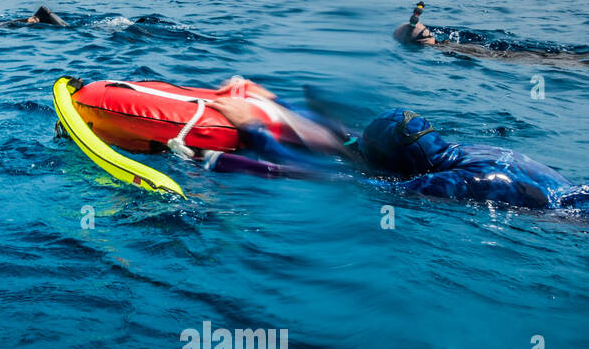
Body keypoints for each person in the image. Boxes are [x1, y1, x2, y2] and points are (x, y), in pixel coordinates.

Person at [209, 97, 588, 210]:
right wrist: (273, 105)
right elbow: (352, 140)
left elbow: (329, 179)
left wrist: (254, 132)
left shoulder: (446, 183)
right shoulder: (464, 152)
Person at [392, 2, 588, 66]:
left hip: (486, 55)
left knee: (542, 60)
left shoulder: (444, 52)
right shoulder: (446, 47)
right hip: (484, 51)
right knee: (545, 58)